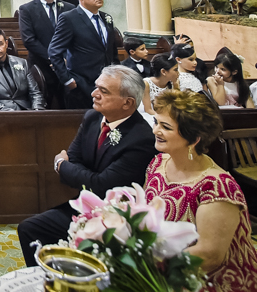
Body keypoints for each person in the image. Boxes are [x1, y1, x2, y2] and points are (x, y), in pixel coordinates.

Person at [16, 66, 157, 266]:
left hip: (116, 218)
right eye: (96, 87)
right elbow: (74, 158)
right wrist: (74, 169)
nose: (94, 94)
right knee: (30, 228)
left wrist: (60, 164)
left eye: (104, 91)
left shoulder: (141, 138)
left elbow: (101, 185)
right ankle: (52, 281)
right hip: (85, 205)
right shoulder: (93, 118)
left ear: (128, 103)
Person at [146, 91, 257, 291]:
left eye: (165, 127)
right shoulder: (158, 164)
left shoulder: (216, 186)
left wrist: (147, 268)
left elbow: (209, 254)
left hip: (212, 281)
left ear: (194, 139)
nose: (155, 130)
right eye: (156, 122)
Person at [48, 0, 120, 109]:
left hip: (108, 83)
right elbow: (54, 51)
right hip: (82, 85)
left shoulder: (106, 18)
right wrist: (67, 80)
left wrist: (116, 74)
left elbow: (111, 50)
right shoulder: (70, 18)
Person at [17, 0, 75, 108]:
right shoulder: (27, 9)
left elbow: (74, 37)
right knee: (44, 107)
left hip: (67, 67)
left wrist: (65, 59)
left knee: (69, 106)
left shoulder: (69, 8)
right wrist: (54, 59)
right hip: (41, 66)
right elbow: (29, 40)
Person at [0, 26, 44, 111]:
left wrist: (37, 110)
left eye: (0, 44)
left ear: (6, 44)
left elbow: (35, 92)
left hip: (27, 111)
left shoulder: (22, 63)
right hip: (0, 115)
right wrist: (11, 113)